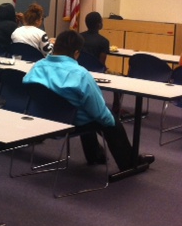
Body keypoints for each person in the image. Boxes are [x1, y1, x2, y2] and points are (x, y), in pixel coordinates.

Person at [22, 30, 154, 171]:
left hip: (43, 117)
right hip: (69, 122)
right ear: (77, 53)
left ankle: (95, 155)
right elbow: (99, 112)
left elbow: (27, 86)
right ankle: (129, 164)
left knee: (83, 109)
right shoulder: (81, 74)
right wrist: (112, 123)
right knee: (110, 120)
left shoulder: (37, 66)